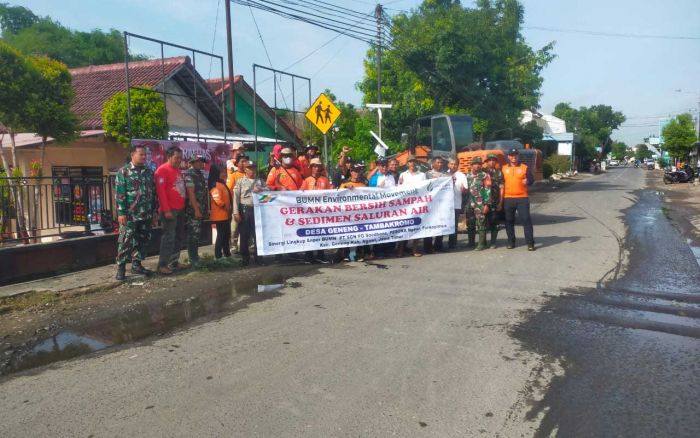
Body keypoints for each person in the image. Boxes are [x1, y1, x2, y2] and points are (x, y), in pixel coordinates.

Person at [114, 144, 157, 281]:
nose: (144, 157)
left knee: (143, 239)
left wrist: (154, 211)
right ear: (133, 155)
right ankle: (121, 267)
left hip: (146, 213)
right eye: (141, 154)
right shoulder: (124, 172)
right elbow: (120, 194)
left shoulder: (149, 171)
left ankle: (136, 264)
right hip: (130, 214)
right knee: (125, 240)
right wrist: (121, 212)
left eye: (145, 154)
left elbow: (153, 193)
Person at [155, 146, 188, 274]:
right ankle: (162, 265)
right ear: (169, 157)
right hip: (169, 210)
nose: (179, 160)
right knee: (169, 237)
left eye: (180, 158)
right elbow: (161, 192)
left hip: (179, 209)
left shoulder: (177, 170)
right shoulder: (162, 170)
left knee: (179, 236)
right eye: (176, 158)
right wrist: (166, 210)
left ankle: (174, 262)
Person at [502, 148, 535, 250]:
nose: (513, 157)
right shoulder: (503, 168)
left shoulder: (524, 167)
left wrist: (528, 181)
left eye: (515, 155)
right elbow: (499, 182)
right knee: (509, 221)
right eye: (511, 155)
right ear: (508, 157)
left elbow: (531, 179)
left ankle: (530, 243)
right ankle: (511, 242)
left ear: (518, 156)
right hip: (508, 198)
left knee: (526, 220)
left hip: (522, 198)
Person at [234, 162, 264, 265]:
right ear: (245, 169)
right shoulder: (240, 181)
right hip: (245, 209)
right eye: (249, 168)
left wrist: (262, 189)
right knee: (244, 235)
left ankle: (258, 257)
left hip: (257, 210)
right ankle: (245, 258)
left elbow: (268, 191)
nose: (252, 170)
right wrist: (236, 212)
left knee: (258, 235)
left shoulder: (260, 181)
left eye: (253, 168)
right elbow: (236, 197)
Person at [184, 154, 209, 267]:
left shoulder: (200, 174)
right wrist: (196, 210)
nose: (201, 163)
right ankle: (193, 259)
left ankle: (195, 257)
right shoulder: (189, 175)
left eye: (202, 161)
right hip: (193, 210)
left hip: (201, 208)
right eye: (198, 161)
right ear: (193, 162)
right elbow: (190, 193)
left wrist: (205, 209)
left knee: (197, 233)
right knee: (193, 234)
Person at [398, 156, 425, 257]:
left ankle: (414, 249)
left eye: (414, 161)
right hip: (405, 204)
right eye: (410, 161)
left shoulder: (422, 175)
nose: (412, 163)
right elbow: (399, 189)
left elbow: (425, 188)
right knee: (404, 226)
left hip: (418, 203)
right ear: (407, 163)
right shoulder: (403, 175)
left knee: (416, 226)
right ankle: (400, 249)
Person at [465, 156, 492, 250]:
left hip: (480, 203)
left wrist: (487, 204)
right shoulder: (467, 176)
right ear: (471, 165)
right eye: (475, 164)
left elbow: (488, 190)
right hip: (469, 203)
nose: (477, 166)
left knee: (481, 223)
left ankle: (481, 244)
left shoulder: (485, 175)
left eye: (479, 164)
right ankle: (471, 243)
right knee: (470, 223)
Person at [424, 156, 448, 253]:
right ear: (433, 163)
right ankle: (428, 247)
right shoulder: (427, 174)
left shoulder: (446, 175)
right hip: (430, 203)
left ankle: (438, 245)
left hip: (441, 203)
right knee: (429, 224)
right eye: (438, 162)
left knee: (441, 224)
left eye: (441, 163)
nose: (440, 164)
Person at [209, 164, 232, 259]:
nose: (224, 174)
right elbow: (217, 199)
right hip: (220, 216)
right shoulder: (215, 184)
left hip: (225, 215)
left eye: (224, 172)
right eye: (221, 172)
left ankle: (227, 254)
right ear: (216, 173)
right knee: (221, 236)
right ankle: (218, 256)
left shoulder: (221, 183)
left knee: (226, 235)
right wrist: (226, 207)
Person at [226, 154, 248, 254]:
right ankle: (234, 245)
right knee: (234, 227)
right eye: (242, 161)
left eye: (246, 161)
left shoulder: (250, 174)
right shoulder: (233, 175)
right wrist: (231, 205)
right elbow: (228, 190)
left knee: (248, 226)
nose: (244, 163)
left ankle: (250, 245)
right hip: (236, 205)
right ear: (237, 163)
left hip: (248, 205)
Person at [447, 157, 468, 250]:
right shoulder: (444, 175)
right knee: (443, 223)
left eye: (455, 164)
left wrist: (464, 190)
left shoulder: (462, 175)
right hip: (444, 204)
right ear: (448, 165)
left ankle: (452, 244)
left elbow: (466, 189)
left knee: (454, 225)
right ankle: (438, 244)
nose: (453, 166)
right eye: (451, 164)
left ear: (458, 165)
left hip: (456, 203)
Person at [484, 153, 505, 248]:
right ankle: (482, 242)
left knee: (494, 222)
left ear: (496, 162)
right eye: (489, 160)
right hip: (483, 201)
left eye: (493, 160)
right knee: (482, 222)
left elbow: (501, 188)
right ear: (487, 162)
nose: (491, 162)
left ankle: (493, 242)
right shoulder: (482, 172)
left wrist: (500, 202)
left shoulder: (499, 173)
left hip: (495, 201)